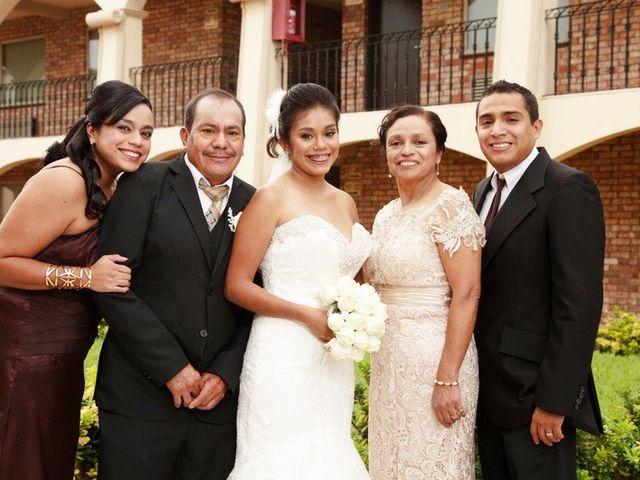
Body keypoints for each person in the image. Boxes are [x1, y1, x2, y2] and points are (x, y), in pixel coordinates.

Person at [93, 88, 255, 480]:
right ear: (185, 136)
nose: (221, 142)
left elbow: (256, 299)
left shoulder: (255, 203)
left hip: (214, 412)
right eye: (208, 130)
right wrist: (171, 367)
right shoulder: (144, 185)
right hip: (140, 402)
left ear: (244, 141)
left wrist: (225, 373)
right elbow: (113, 286)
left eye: (232, 133)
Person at [0, 80, 153, 480]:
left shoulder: (112, 184)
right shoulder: (64, 180)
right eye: (124, 127)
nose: (137, 140)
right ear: (92, 129)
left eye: (146, 132)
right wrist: (86, 277)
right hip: (26, 352)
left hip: (64, 354)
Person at [225, 83, 370, 479]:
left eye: (329, 132)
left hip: (333, 360)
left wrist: (357, 316)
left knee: (327, 455)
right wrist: (307, 315)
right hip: (283, 355)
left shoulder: (345, 201)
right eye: (306, 135)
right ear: (285, 142)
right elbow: (237, 284)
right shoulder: (270, 199)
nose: (320, 145)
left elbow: (353, 277)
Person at [472, 80, 605, 479]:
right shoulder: (482, 191)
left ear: (536, 126)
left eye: (511, 119)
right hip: (488, 393)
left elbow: (578, 306)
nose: (497, 130)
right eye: (486, 121)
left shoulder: (568, 187)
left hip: (536, 399)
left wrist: (555, 402)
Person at [363, 104, 485, 479]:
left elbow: (467, 294)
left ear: (438, 154)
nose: (406, 150)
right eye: (395, 142)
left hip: (437, 363)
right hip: (390, 366)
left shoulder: (450, 206)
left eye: (419, 142)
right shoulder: (385, 215)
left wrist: (447, 377)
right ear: (386, 154)